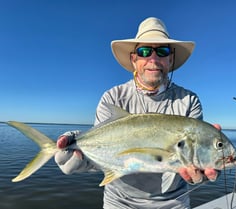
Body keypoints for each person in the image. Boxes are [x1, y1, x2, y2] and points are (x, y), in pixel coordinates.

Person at [55, 17, 219, 209]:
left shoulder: (189, 101)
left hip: (174, 202)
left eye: (162, 51)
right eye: (145, 51)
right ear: (134, 59)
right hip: (119, 201)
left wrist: (204, 168)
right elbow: (104, 153)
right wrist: (79, 154)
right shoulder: (113, 98)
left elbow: (192, 161)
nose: (153, 59)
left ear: (170, 59)